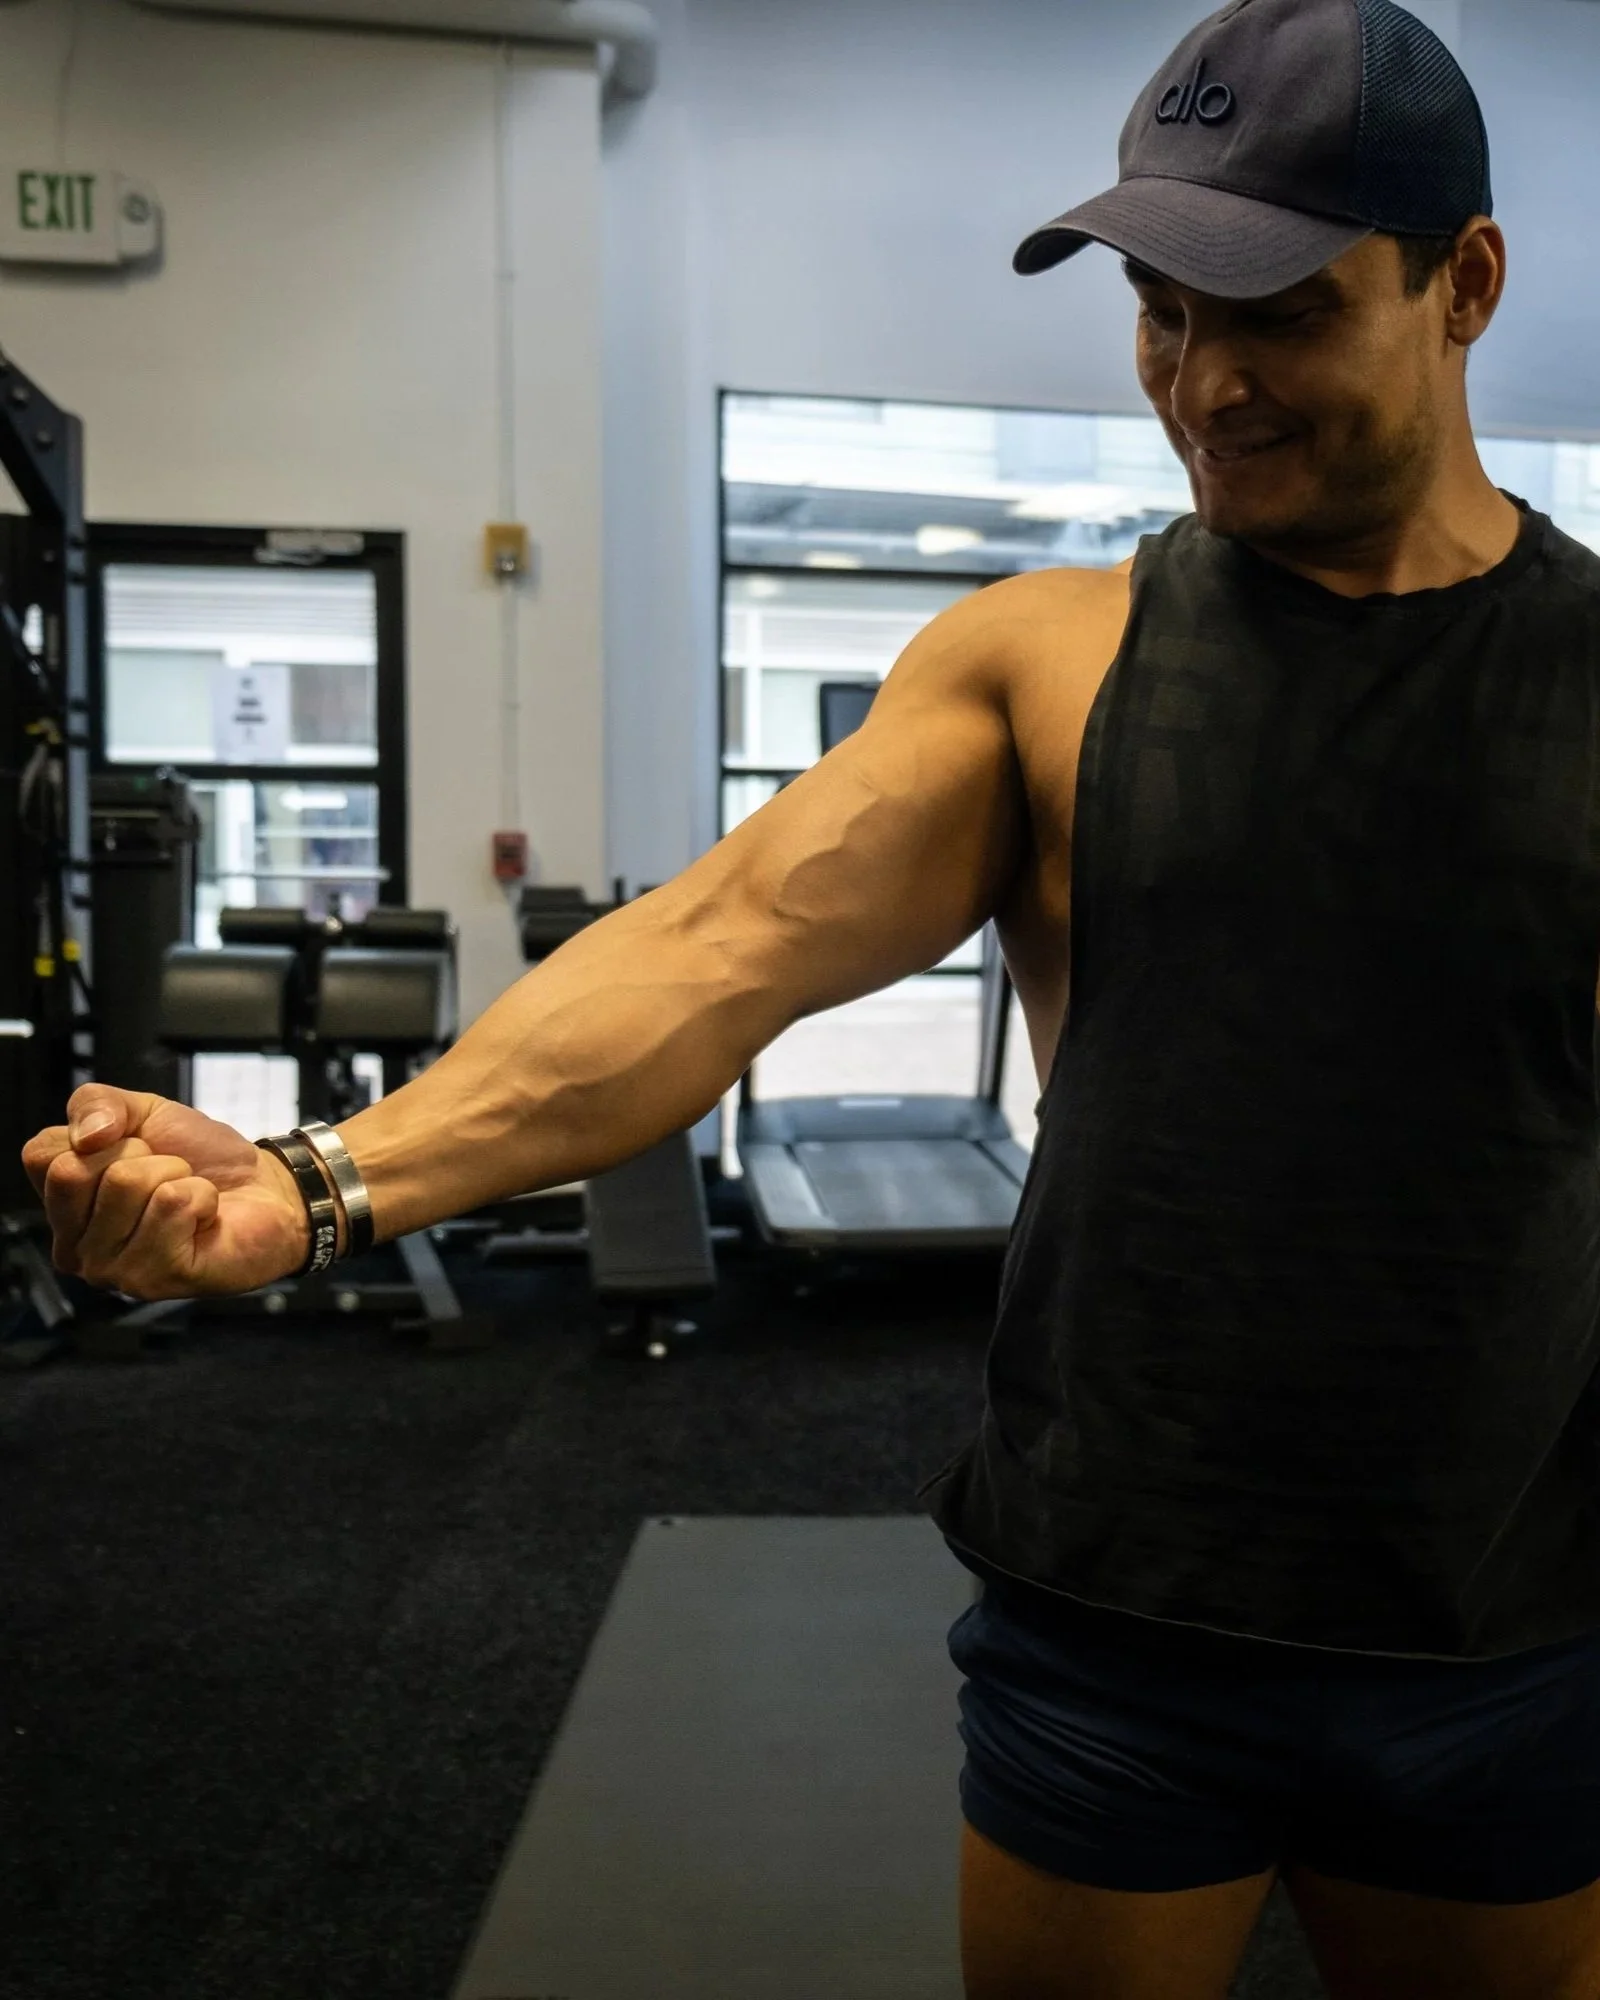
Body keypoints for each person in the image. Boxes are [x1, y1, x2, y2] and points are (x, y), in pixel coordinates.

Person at [23, 0, 1600, 1992]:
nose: (1198, 382)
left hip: (1500, 1631)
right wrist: (317, 1177)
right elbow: (709, 949)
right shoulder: (1048, 664)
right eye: (1154, 312)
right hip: (1111, 1629)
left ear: (1460, 284)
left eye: (1268, 310)